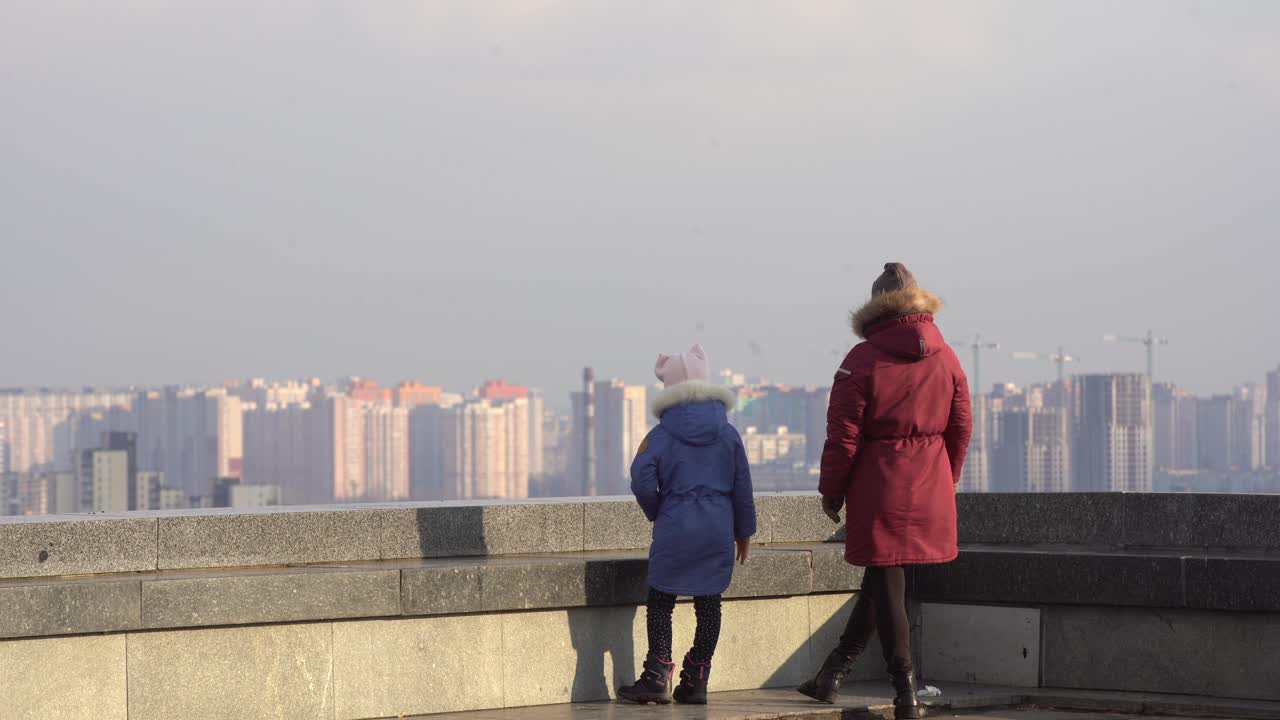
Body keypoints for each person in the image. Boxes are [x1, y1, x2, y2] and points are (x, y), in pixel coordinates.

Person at [798, 263, 972, 719]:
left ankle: (905, 691)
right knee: (882, 581)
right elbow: (961, 426)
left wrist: (832, 492)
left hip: (880, 486)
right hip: (930, 484)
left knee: (888, 584)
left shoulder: (862, 360)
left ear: (875, 305)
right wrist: (946, 478)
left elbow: (843, 438)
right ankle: (831, 676)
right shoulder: (947, 356)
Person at [618, 344, 757, 705]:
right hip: (717, 530)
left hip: (675, 526)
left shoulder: (661, 434)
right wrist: (743, 531)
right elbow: (743, 485)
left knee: (661, 600)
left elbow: (641, 477)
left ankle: (656, 675)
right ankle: (697, 677)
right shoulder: (728, 433)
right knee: (709, 604)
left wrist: (659, 510)